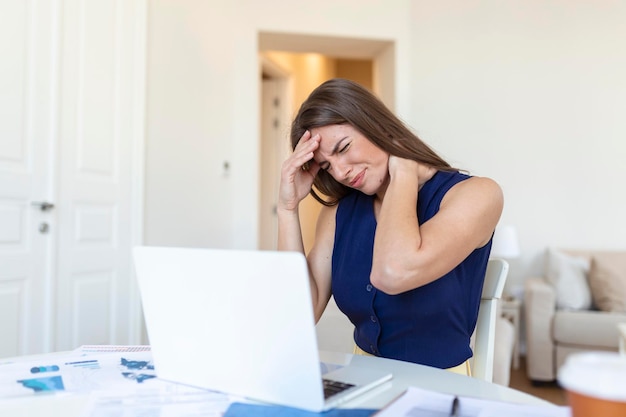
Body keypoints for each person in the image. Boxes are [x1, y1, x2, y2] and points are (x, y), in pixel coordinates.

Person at [277, 78, 503, 375]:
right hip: (361, 380)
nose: (341, 172)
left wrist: (404, 170)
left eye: (343, 148)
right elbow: (298, 313)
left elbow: (393, 272)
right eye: (328, 166)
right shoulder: (338, 212)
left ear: (377, 126)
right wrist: (287, 208)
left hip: (441, 388)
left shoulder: (476, 195)